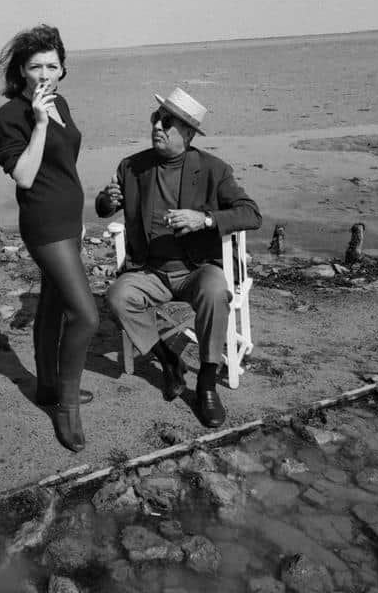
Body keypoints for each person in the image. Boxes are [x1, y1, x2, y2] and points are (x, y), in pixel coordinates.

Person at [96, 87, 261, 428]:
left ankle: (207, 382)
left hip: (196, 269)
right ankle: (168, 359)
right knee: (116, 296)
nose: (157, 125)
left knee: (216, 292)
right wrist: (108, 199)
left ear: (187, 133)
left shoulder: (214, 170)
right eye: (156, 118)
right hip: (150, 271)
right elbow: (102, 207)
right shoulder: (132, 167)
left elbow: (251, 214)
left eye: (167, 122)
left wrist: (206, 219)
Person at [0, 24, 99, 453]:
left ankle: (49, 387)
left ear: (63, 70)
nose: (44, 73)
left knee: (53, 307)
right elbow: (23, 174)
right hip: (44, 225)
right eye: (35, 66)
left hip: (69, 221)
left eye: (52, 65)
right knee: (87, 315)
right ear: (21, 70)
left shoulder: (62, 103)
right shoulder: (11, 115)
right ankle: (67, 409)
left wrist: (79, 214)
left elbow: (64, 165)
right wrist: (37, 122)